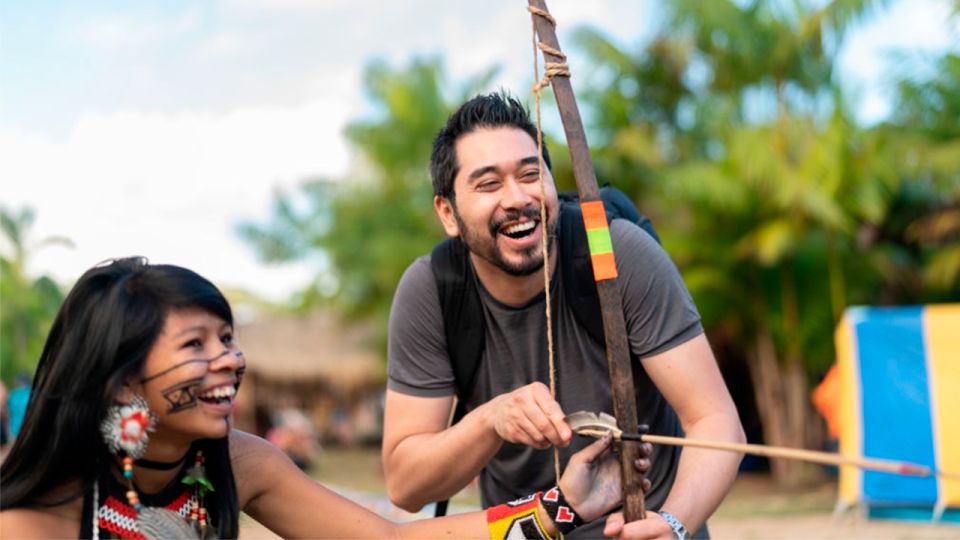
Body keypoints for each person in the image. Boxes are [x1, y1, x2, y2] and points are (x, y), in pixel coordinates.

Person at [0, 257, 648, 539]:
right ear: (121, 379)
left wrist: (560, 508)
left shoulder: (239, 463)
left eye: (227, 337)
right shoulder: (41, 508)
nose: (228, 359)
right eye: (195, 345)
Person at [383, 92, 745, 539]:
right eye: (488, 184)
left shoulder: (618, 253)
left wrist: (674, 523)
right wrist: (491, 419)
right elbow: (405, 485)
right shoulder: (432, 292)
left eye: (531, 174)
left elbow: (715, 421)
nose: (518, 198)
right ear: (448, 214)